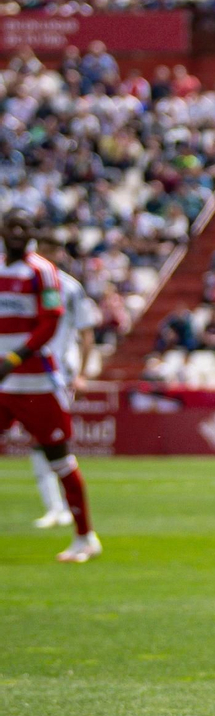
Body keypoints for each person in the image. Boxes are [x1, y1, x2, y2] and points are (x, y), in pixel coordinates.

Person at [0, 212, 100, 562]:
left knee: (59, 459)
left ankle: (85, 537)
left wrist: (12, 360)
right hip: (4, 385)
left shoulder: (42, 272)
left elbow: (50, 322)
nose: (16, 232)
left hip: (37, 382)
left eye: (23, 228)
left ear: (32, 234)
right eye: (10, 226)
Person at [28, 242, 97, 529]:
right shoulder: (19, 282)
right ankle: (57, 507)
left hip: (56, 373)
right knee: (41, 442)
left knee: (49, 441)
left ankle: (62, 510)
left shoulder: (70, 288)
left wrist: (81, 373)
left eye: (53, 251)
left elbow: (86, 333)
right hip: (21, 371)